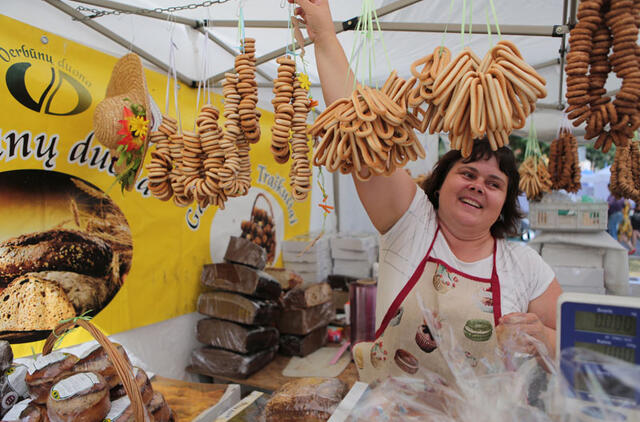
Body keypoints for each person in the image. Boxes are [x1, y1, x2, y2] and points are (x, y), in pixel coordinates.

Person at [290, 0, 562, 383]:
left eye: (494, 183)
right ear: (440, 182)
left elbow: (576, 344)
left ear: (504, 204)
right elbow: (356, 121)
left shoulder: (525, 266)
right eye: (467, 172)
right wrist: (323, 34)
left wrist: (544, 339)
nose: (477, 187)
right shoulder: (410, 222)